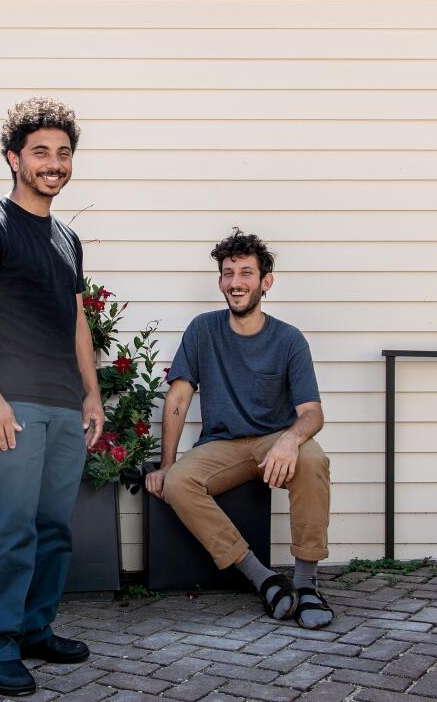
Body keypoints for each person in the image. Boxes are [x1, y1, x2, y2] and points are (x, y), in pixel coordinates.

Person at [0, 97, 104, 697]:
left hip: (63, 402)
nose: (54, 163)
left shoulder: (67, 240)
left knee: (51, 526)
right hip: (9, 403)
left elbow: (76, 323)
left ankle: (37, 628)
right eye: (41, 152)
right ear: (14, 158)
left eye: (63, 154)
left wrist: (91, 395)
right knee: (10, 524)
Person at [145, 229, 334, 629]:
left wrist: (289, 439)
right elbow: (178, 399)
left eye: (245, 273)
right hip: (223, 446)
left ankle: (307, 584)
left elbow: (312, 413)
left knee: (313, 458)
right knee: (178, 483)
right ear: (220, 281)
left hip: (274, 445)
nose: (235, 282)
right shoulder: (202, 329)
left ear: (266, 281)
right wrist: (165, 464)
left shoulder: (289, 339)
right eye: (228, 273)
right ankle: (263, 579)